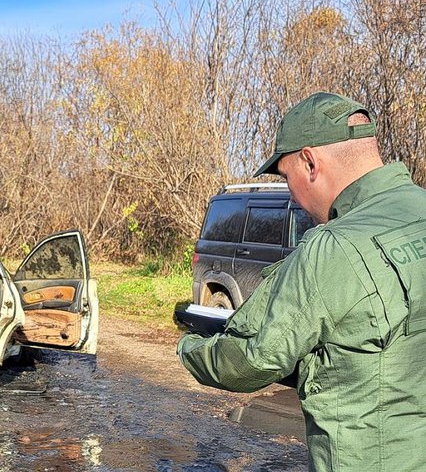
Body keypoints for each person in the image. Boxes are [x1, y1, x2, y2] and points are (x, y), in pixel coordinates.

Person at [178, 92, 426, 470]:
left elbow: (253, 359)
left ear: (309, 162)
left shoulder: (333, 247)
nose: (292, 196)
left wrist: (189, 349)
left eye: (286, 176)